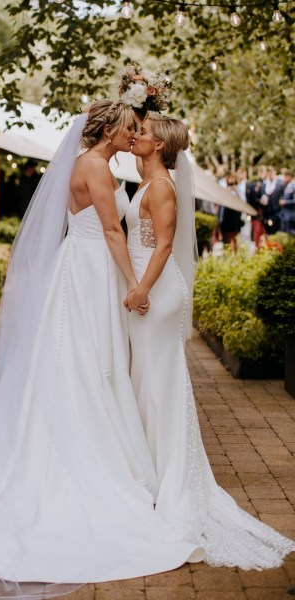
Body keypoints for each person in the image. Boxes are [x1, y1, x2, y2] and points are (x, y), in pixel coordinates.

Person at [0, 99, 205, 600]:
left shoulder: (95, 163)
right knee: (86, 363)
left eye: (137, 129)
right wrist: (133, 284)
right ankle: (85, 464)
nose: (133, 134)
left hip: (85, 268)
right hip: (91, 270)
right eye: (129, 127)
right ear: (109, 129)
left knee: (87, 363)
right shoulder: (93, 165)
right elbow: (109, 229)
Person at [125, 110, 295, 570]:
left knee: (159, 382)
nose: (136, 135)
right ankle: (154, 474)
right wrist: (141, 99)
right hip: (147, 288)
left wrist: (140, 288)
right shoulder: (148, 176)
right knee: (147, 380)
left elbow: (162, 245)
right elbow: (135, 145)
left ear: (160, 146)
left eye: (143, 132)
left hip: (155, 292)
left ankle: (171, 484)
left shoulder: (161, 187)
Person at [218, 174, 243, 254]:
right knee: (227, 238)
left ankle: (236, 255)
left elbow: (243, 202)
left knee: (235, 238)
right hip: (227, 218)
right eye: (230, 184)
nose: (232, 186)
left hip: (236, 218)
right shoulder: (225, 191)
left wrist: (236, 191)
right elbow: (221, 204)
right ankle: (228, 255)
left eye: (233, 183)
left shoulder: (238, 192)